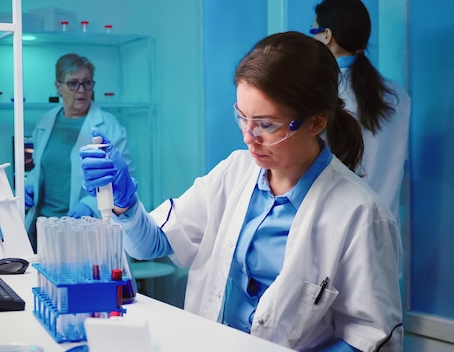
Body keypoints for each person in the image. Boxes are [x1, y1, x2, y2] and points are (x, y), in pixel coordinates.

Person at [79, 32, 402, 351]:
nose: (249, 137)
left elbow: (370, 339)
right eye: (242, 118)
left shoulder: (360, 214)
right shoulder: (235, 171)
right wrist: (126, 205)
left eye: (265, 124)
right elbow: (150, 244)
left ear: (315, 123)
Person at [310, 0, 411, 222]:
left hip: (339, 228)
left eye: (313, 31)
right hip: (387, 230)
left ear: (327, 36)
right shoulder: (398, 97)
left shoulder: (320, 95)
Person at [24, 53, 133, 252]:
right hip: (45, 228)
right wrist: (29, 186)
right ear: (58, 86)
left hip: (86, 228)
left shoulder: (109, 127)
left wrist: (89, 205)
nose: (81, 91)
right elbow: (39, 168)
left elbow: (123, 179)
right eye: (73, 83)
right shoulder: (46, 122)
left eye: (87, 83)